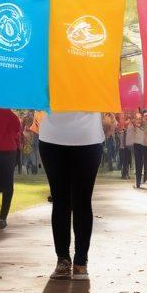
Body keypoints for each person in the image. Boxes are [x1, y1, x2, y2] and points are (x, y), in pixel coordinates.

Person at [39, 111, 104, 280]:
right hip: (53, 138)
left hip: (88, 138)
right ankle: (63, 259)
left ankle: (81, 260)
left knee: (81, 201)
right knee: (61, 201)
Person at [127, 113, 147, 188]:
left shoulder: (145, 125)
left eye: (139, 118)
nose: (138, 120)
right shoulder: (133, 126)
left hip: (145, 145)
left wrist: (143, 125)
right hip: (137, 145)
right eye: (137, 118)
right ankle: (138, 182)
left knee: (145, 162)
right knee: (138, 163)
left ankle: (144, 177)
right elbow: (129, 135)